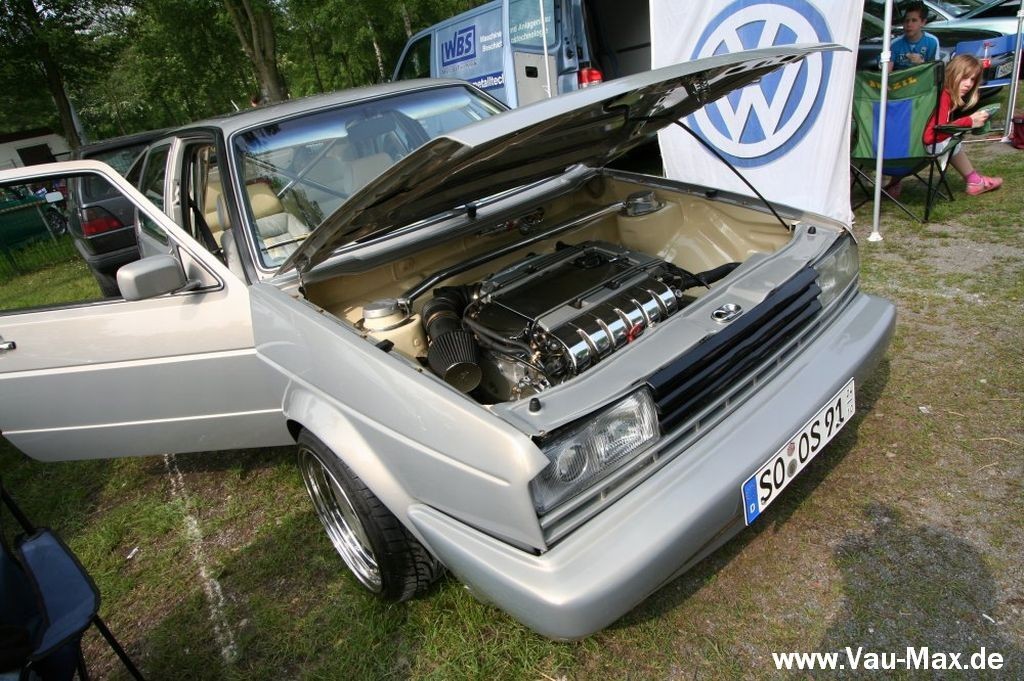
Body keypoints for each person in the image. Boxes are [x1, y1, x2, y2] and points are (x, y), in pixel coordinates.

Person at [923, 54, 1002, 196]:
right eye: (964, 78)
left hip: (899, 151)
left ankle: (894, 184)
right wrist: (969, 121)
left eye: (972, 80)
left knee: (950, 137)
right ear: (952, 73)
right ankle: (975, 181)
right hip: (916, 152)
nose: (968, 84)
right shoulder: (943, 96)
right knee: (952, 140)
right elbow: (930, 136)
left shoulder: (931, 91)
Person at [890, 2, 939, 71]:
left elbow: (935, 70)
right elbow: (887, 72)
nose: (909, 24)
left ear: (923, 22)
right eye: (906, 21)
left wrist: (922, 63)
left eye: (914, 20)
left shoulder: (932, 41)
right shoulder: (894, 44)